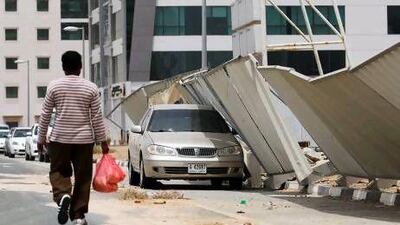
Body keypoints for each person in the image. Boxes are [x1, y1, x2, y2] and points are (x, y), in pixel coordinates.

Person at [37, 51, 109, 225]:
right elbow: (97, 118)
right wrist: (104, 141)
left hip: (60, 138)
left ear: (63, 67)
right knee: (83, 177)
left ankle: (63, 196)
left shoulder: (54, 87)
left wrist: (41, 138)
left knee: (58, 171)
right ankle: (78, 216)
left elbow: (45, 114)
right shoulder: (91, 88)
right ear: (81, 66)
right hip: (84, 141)